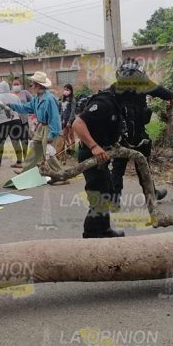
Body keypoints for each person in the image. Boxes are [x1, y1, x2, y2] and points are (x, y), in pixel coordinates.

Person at [109, 59, 173, 209]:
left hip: (121, 132)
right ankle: (151, 195)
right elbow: (165, 93)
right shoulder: (143, 82)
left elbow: (105, 100)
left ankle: (114, 199)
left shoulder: (115, 86)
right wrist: (171, 98)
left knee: (118, 165)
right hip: (138, 132)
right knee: (142, 163)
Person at [71, 89, 126, 239]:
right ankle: (90, 235)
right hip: (90, 155)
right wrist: (94, 146)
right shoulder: (104, 103)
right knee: (98, 197)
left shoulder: (117, 103)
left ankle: (104, 229)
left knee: (106, 192)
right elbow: (78, 123)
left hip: (102, 155)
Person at [6, 72, 64, 180]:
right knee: (34, 147)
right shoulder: (36, 98)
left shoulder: (49, 99)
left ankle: (60, 175)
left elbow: (55, 119)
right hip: (41, 127)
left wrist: (51, 136)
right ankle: (26, 171)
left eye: (33, 84)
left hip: (49, 128)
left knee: (48, 152)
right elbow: (26, 108)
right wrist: (12, 106)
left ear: (38, 85)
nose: (31, 86)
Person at [0, 81, 25, 167]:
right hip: (16, 120)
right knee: (16, 142)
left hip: (3, 122)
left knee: (0, 142)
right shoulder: (15, 96)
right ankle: (19, 162)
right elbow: (20, 108)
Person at [10, 77, 31, 167]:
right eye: (14, 84)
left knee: (24, 140)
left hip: (24, 120)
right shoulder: (10, 94)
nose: (16, 86)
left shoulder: (25, 93)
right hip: (13, 121)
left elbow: (32, 101)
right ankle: (19, 161)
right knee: (15, 141)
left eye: (17, 84)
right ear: (12, 86)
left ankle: (26, 159)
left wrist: (28, 109)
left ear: (21, 85)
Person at [60, 84, 76, 159]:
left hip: (71, 120)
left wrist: (69, 121)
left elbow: (73, 111)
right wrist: (62, 120)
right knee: (64, 136)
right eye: (65, 89)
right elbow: (62, 111)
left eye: (67, 89)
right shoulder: (63, 99)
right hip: (64, 121)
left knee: (71, 136)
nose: (65, 91)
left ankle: (72, 153)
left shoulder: (72, 99)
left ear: (71, 90)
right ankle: (69, 149)